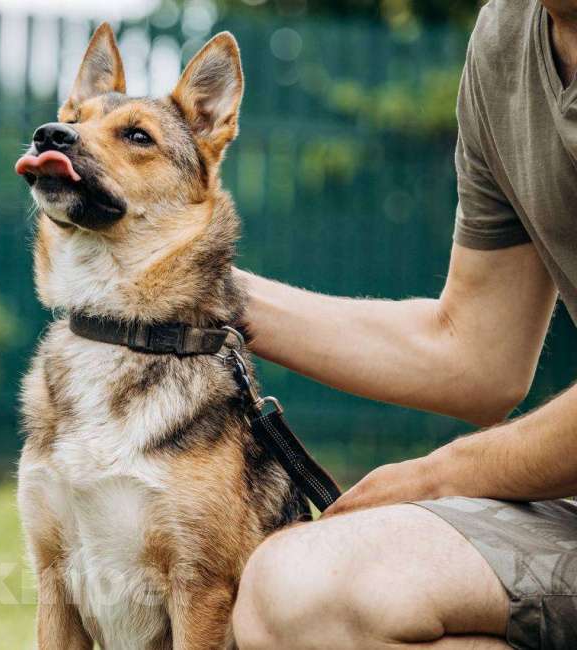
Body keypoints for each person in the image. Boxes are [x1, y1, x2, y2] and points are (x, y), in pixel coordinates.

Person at [230, 1, 577, 648]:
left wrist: (434, 477)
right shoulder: (508, 41)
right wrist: (213, 294)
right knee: (302, 589)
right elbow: (477, 355)